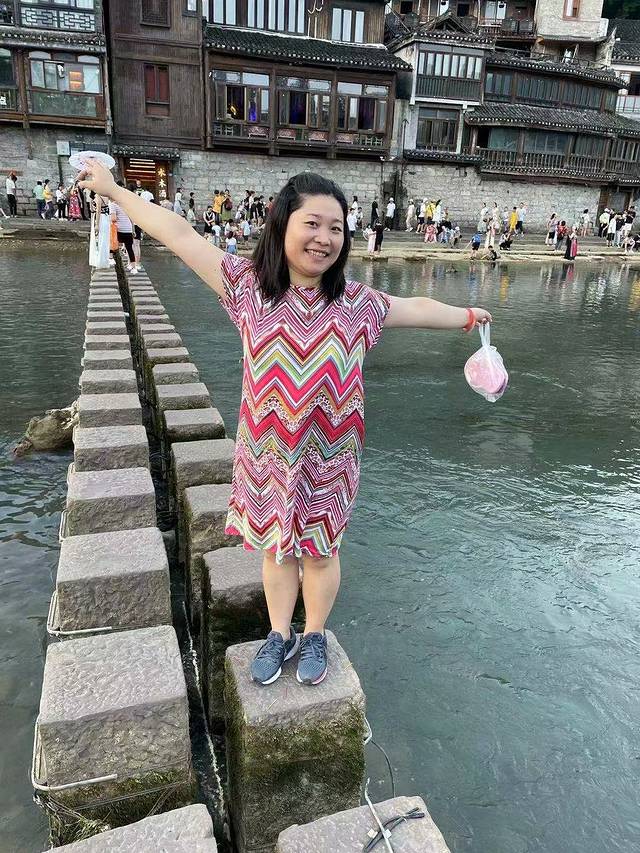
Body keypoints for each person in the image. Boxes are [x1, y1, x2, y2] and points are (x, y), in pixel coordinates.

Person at [77, 162, 492, 686]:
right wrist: (115, 191)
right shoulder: (248, 289)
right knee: (276, 549)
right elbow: (179, 234)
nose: (324, 238)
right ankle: (279, 634)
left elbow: (417, 307)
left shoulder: (357, 304)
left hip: (331, 460)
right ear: (283, 225)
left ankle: (313, 633)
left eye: (336, 228)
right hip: (266, 454)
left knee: (320, 553)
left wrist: (467, 316)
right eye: (312, 223)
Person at [110, 182, 137, 272]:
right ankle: (133, 267)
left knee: (112, 244)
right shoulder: (126, 204)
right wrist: (133, 229)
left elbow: (113, 219)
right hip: (128, 229)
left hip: (119, 229)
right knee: (129, 248)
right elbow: (131, 218)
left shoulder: (113, 205)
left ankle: (111, 259)